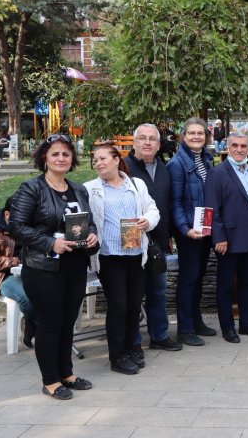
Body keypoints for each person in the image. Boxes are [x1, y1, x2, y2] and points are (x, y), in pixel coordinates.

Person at [9, 134, 99, 400]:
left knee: (67, 321)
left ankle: (67, 373)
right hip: (43, 268)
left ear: (72, 160)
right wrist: (51, 244)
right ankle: (50, 380)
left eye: (66, 154)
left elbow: (88, 222)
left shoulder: (79, 189)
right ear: (44, 159)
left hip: (75, 265)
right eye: (55, 154)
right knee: (50, 323)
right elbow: (17, 227)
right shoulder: (31, 188)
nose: (61, 158)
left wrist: (92, 237)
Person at [85, 145, 160, 375]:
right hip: (109, 257)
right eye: (95, 160)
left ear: (117, 160)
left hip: (136, 255)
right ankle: (117, 356)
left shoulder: (136, 185)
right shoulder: (89, 189)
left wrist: (147, 221)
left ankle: (132, 347)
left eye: (103, 158)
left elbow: (153, 209)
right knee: (118, 306)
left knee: (134, 304)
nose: (98, 163)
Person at [124, 123, 183, 352]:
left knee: (158, 291)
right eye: (142, 138)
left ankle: (159, 335)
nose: (147, 143)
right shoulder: (124, 168)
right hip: (131, 242)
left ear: (159, 144)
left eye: (152, 139)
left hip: (157, 243)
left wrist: (168, 236)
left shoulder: (164, 168)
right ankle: (134, 342)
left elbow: (166, 205)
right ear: (134, 141)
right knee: (134, 294)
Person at [203, 132, 248, 343]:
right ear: (228, 147)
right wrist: (218, 237)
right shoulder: (217, 173)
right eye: (235, 145)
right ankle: (227, 327)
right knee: (226, 286)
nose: (240, 149)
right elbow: (212, 208)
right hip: (228, 240)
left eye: (243, 146)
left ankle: (246, 324)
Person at [167, 117, 217, 346]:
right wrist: (185, 230)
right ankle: (185, 329)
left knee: (198, 278)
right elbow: (175, 202)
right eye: (191, 133)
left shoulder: (206, 159)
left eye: (200, 133)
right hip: (189, 233)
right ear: (183, 136)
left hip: (204, 228)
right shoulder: (177, 164)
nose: (196, 137)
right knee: (188, 279)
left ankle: (197, 322)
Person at [0, 197, 36, 348]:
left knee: (54, 289)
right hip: (1, 276)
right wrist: (18, 261)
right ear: (8, 214)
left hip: (30, 270)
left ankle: (39, 325)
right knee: (28, 296)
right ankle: (33, 326)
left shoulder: (26, 224)